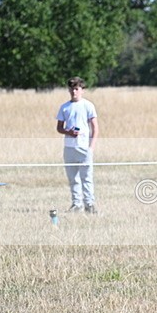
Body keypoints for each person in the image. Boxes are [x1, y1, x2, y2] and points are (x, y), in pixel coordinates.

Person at [56, 76, 99, 214]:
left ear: (82, 90)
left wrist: (91, 147)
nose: (74, 92)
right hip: (69, 147)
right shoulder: (64, 107)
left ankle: (89, 204)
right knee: (73, 177)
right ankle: (76, 204)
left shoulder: (88, 105)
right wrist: (68, 131)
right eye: (71, 89)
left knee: (86, 177)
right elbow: (59, 128)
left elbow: (95, 128)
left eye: (76, 89)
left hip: (84, 147)